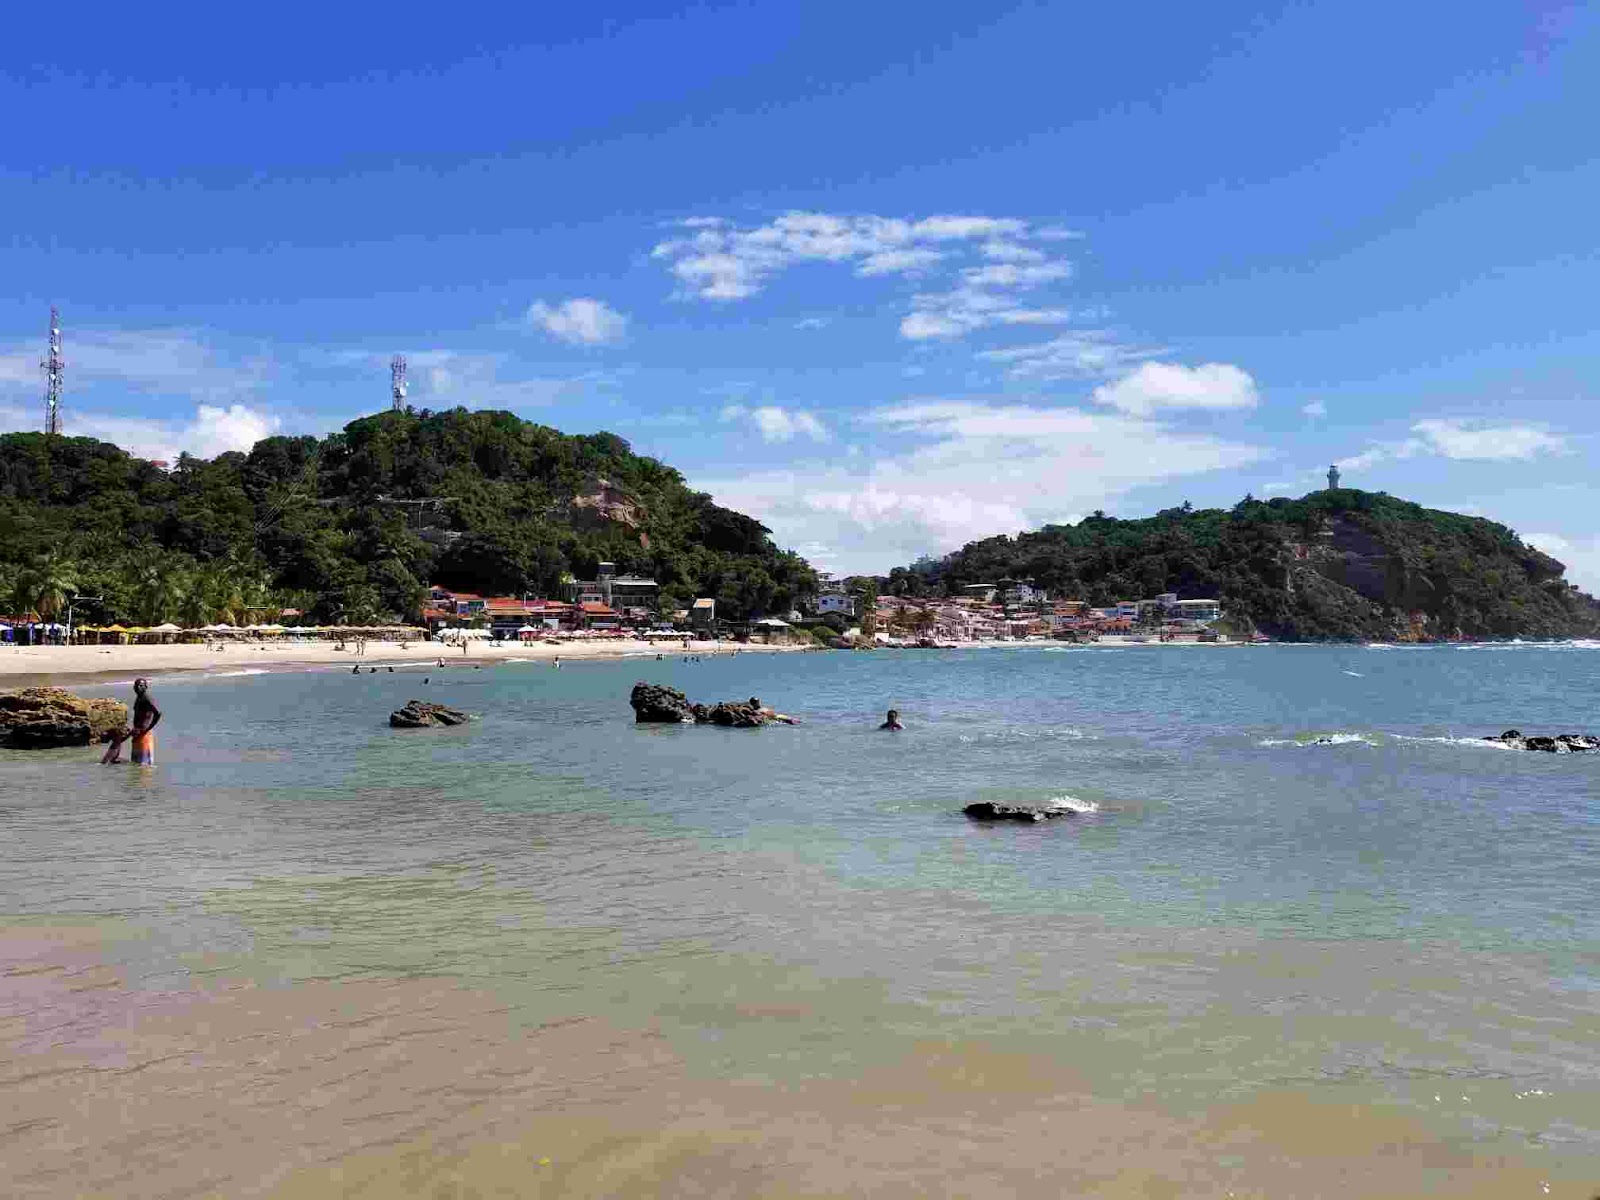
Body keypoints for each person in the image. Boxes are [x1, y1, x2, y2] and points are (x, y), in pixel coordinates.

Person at [128, 678, 161, 764]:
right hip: (137, 734)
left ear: (145, 687)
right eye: (136, 685)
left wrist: (147, 728)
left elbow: (157, 713)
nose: (138, 687)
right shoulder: (139, 697)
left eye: (141, 685)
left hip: (144, 734)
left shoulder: (147, 698)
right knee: (135, 765)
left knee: (144, 766)